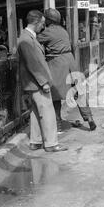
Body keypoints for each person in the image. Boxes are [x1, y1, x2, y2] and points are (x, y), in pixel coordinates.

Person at [37, 8, 97, 132]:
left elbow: (35, 41)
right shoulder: (63, 31)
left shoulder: (47, 32)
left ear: (49, 20)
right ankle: (89, 118)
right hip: (70, 61)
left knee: (55, 95)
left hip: (58, 63)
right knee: (78, 91)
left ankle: (58, 124)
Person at [18, 10, 68, 153]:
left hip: (32, 83)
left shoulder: (27, 37)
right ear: (36, 22)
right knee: (47, 112)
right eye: (42, 24)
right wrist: (43, 82)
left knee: (35, 112)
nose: (43, 27)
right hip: (36, 82)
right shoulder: (26, 40)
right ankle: (51, 144)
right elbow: (33, 64)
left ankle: (36, 141)